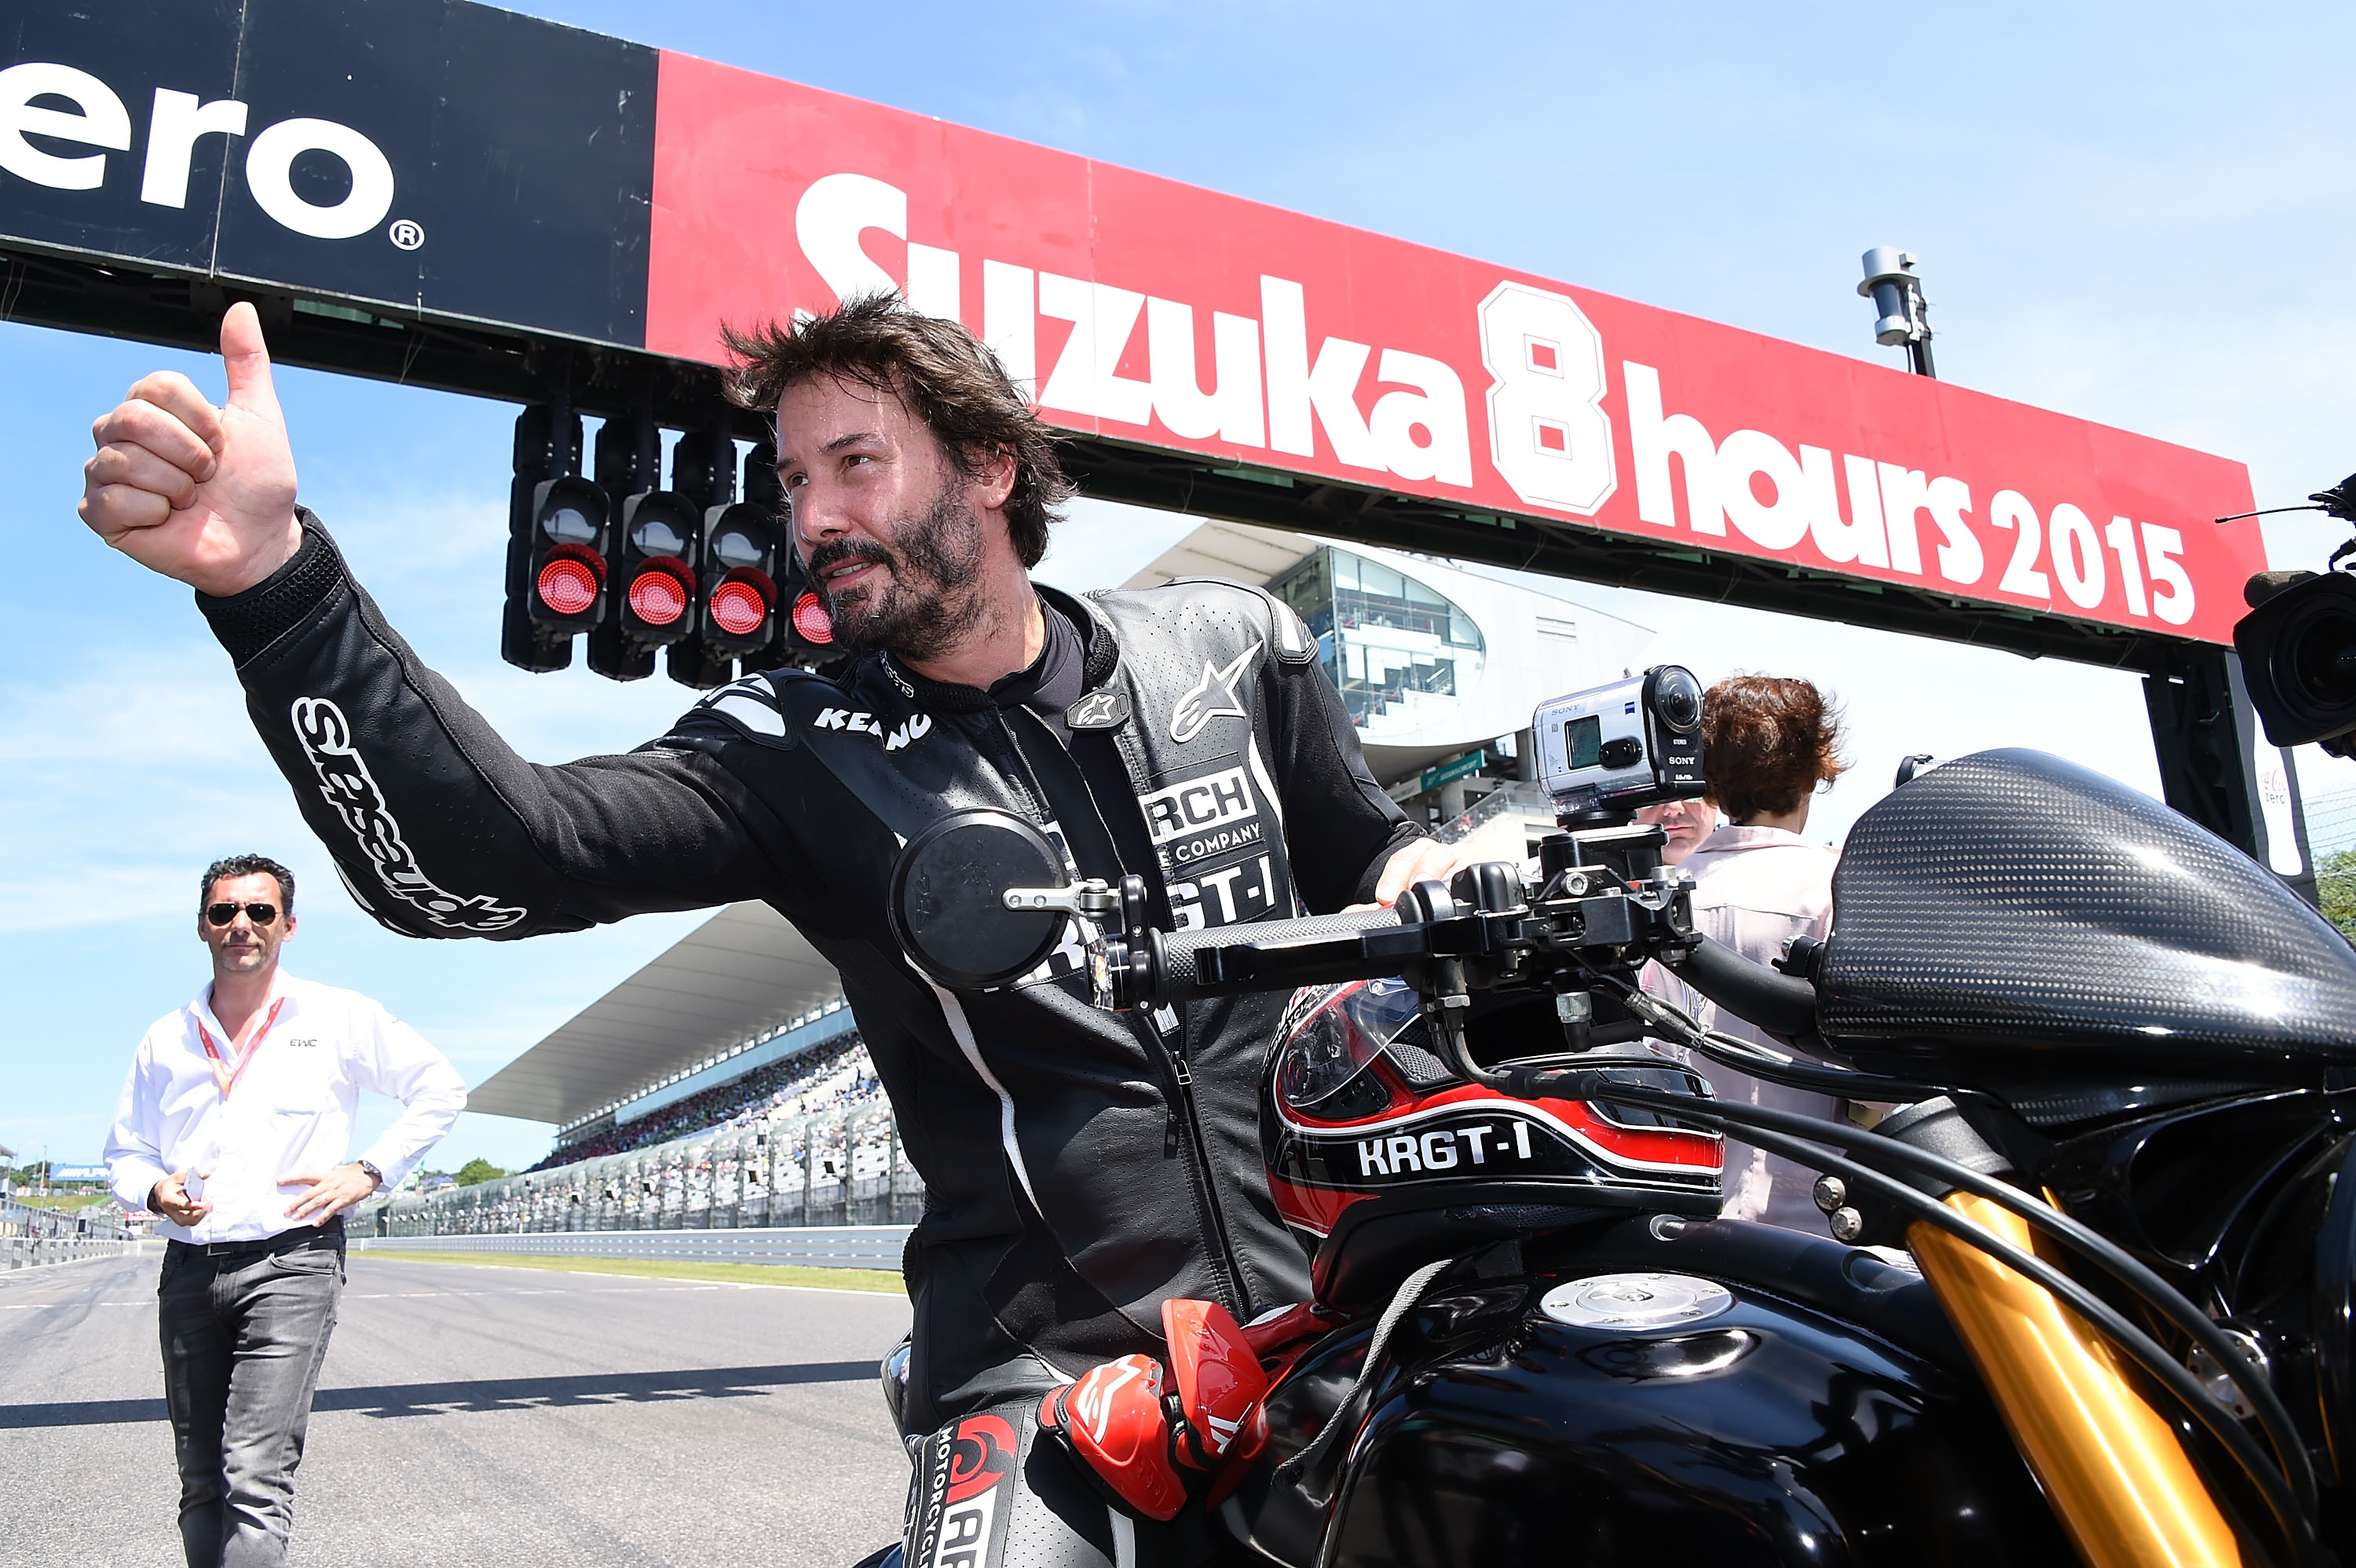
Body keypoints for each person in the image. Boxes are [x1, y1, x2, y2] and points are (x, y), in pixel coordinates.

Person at [81, 299, 1476, 1566]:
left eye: (854, 464)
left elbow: (1374, 847)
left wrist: (1438, 865)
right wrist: (275, 586)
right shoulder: (794, 743)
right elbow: (486, 862)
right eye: (797, 479)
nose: (813, 516)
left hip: (1342, 1308)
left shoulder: (1233, 644)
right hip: (1040, 1370)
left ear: (988, 467)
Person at [104, 853, 466, 1568]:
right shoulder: (165, 1038)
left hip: (291, 1263)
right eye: (225, 911)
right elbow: (125, 1151)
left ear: (288, 926)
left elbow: (440, 1088)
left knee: (253, 1473)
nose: (242, 924)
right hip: (188, 1267)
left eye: (259, 911)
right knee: (201, 1479)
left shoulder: (338, 1015)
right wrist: (153, 1191)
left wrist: (369, 1169)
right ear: (203, 927)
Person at [1655, 676, 1847, 1231]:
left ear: (1710, 781)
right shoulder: (1840, 885)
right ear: (1814, 770)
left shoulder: (1657, 896)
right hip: (1822, 1217)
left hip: (1685, 1208)